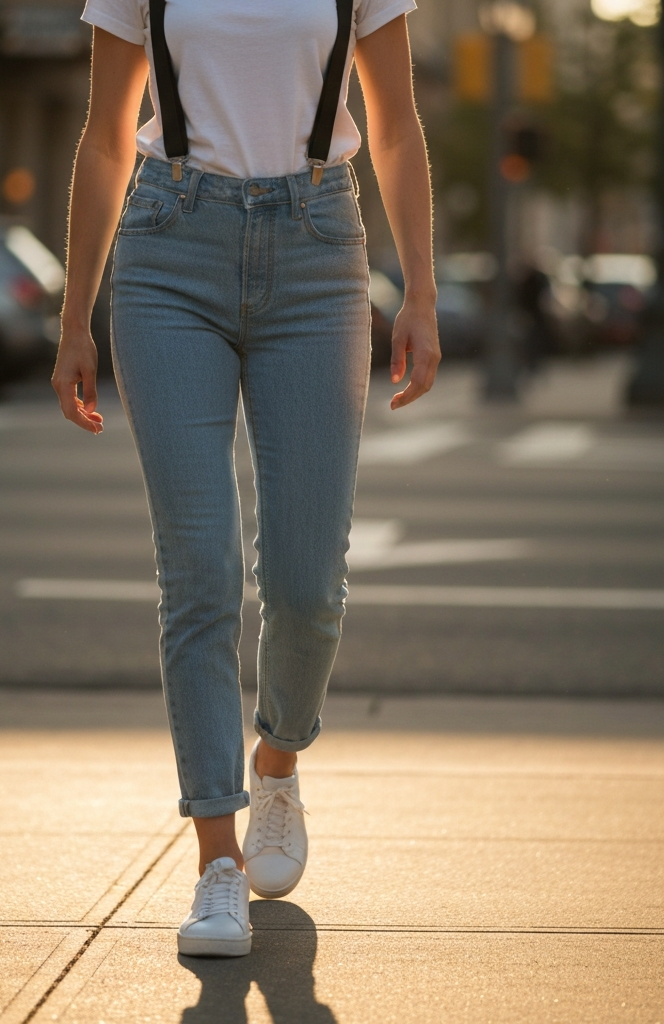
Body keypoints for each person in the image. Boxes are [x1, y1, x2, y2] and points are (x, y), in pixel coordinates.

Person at [52, 0, 440, 957]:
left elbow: (395, 126)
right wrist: (74, 317)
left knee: (308, 585)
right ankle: (216, 861)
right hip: (167, 250)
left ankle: (277, 760)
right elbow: (105, 136)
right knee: (200, 570)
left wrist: (421, 292)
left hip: (318, 251)